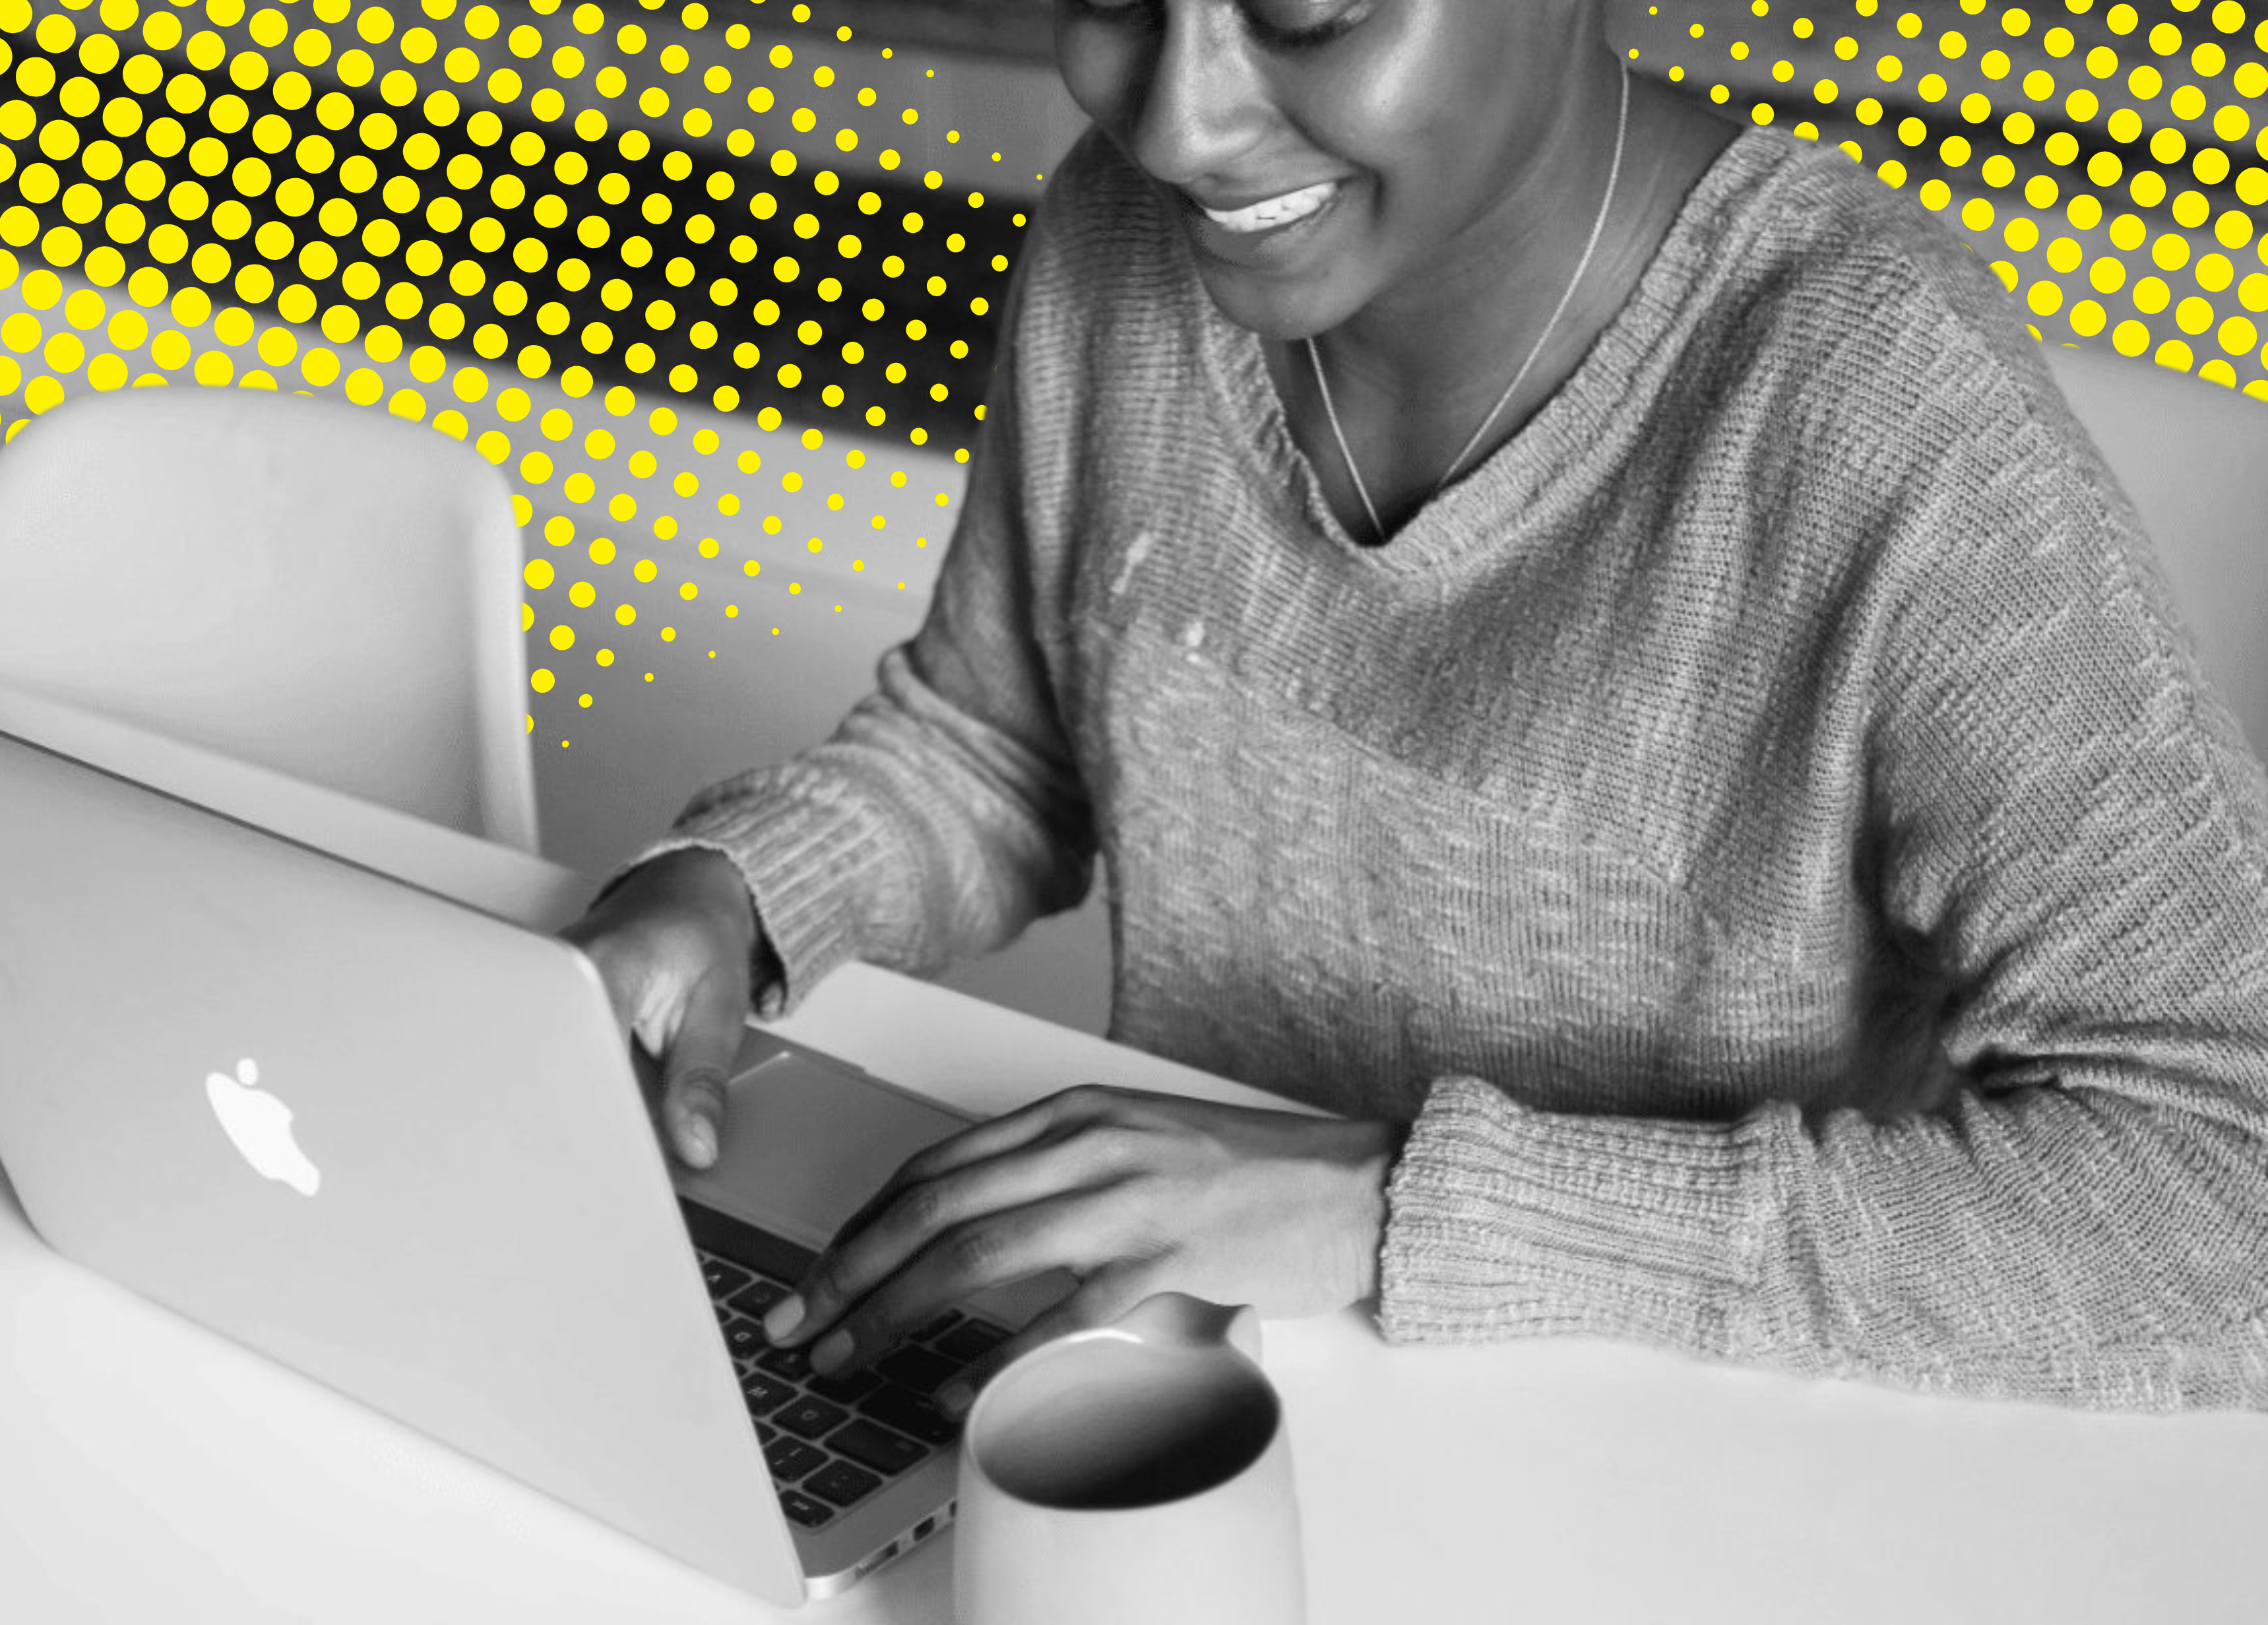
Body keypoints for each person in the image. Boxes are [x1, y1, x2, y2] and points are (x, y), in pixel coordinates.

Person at [565, 0, 2268, 1414]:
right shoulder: (1116, 238)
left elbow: (2227, 1181)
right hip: (1193, 1396)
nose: (1179, 120)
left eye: (1304, 12)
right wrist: (735, 893)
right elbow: (1000, 739)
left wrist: (1390, 1204)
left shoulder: (1872, 406)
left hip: (1678, 1451)